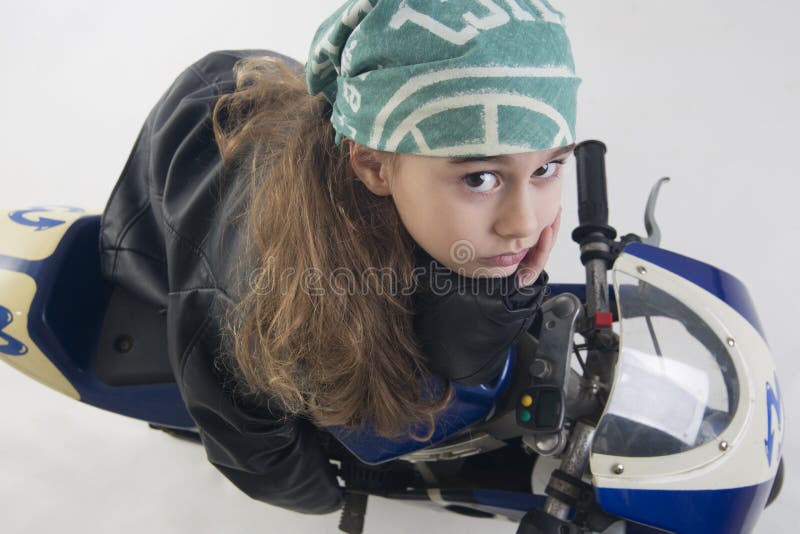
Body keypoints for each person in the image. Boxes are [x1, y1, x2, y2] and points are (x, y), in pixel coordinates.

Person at [98, 0, 580, 515]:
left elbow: (446, 338)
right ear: (373, 165)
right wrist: (324, 498)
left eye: (547, 168)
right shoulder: (256, 294)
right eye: (480, 177)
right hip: (171, 203)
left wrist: (501, 292)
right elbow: (251, 447)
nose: (525, 224)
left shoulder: (430, 192)